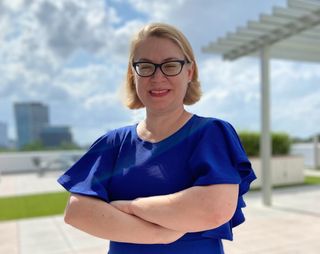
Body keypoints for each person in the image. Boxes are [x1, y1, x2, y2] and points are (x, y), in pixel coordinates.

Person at [57, 22, 256, 254]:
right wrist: (159, 234)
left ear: (189, 72)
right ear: (133, 74)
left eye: (170, 65)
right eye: (146, 66)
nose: (157, 77)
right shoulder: (114, 143)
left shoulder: (211, 134)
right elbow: (78, 212)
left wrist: (129, 207)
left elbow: (213, 209)